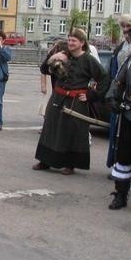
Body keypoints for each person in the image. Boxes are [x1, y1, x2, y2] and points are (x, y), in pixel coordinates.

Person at [33, 28, 109, 175]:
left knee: (72, 132)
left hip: (76, 101)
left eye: (74, 40)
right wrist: (54, 56)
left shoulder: (88, 59)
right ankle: (46, 160)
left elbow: (104, 78)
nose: (70, 43)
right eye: (69, 40)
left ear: (82, 43)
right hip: (58, 98)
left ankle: (70, 164)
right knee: (51, 129)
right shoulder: (63, 56)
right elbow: (44, 69)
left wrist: (91, 95)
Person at [106, 16, 131, 209]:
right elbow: (118, 81)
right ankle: (121, 195)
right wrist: (113, 98)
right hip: (130, 114)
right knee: (124, 155)